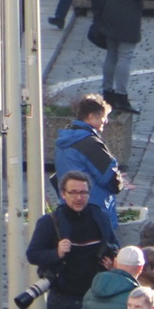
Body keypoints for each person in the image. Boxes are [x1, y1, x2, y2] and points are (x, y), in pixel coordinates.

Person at [27, 171, 120, 309]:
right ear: (63, 194)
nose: (79, 198)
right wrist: (56, 254)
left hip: (95, 297)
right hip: (63, 297)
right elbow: (33, 254)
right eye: (74, 193)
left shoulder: (99, 217)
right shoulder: (50, 222)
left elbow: (114, 245)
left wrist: (113, 263)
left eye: (83, 193)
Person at [54, 94, 123, 235]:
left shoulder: (64, 140)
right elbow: (111, 180)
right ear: (91, 117)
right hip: (95, 213)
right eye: (104, 116)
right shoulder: (90, 144)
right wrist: (120, 180)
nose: (106, 121)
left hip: (70, 210)